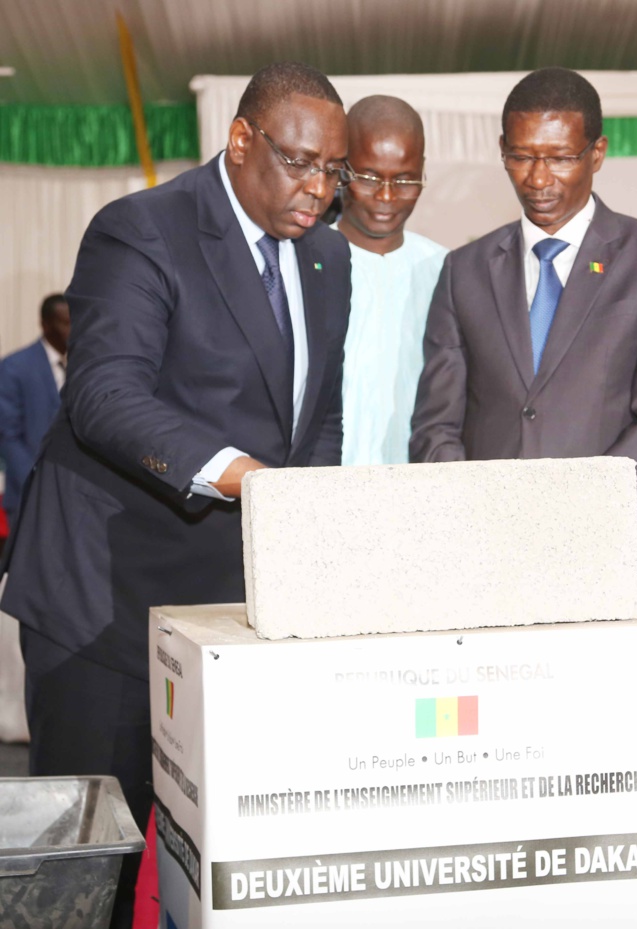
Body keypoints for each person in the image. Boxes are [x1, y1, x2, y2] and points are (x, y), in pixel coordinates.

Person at [0, 62, 352, 929]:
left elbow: (319, 415)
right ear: (240, 141)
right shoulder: (142, 230)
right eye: (301, 162)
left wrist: (310, 519)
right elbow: (105, 395)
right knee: (87, 879)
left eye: (333, 170)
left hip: (229, 616)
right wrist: (251, 480)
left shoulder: (326, 254)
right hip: (103, 605)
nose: (320, 189)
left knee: (216, 864)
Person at [410, 67, 637, 620]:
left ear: (597, 153)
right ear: (501, 151)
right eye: (522, 156)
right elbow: (436, 425)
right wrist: (471, 516)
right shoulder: (463, 271)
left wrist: (573, 522)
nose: (539, 178)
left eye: (561, 158)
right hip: (486, 566)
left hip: (612, 556)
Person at [333, 95, 447, 464]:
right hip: (318, 485)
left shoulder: (446, 270)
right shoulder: (305, 262)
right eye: (368, 178)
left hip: (424, 486)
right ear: (340, 167)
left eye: (404, 180)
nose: (386, 196)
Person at [0, 293, 70, 533]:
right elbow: (7, 436)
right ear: (46, 325)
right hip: (27, 496)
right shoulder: (15, 367)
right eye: (66, 323)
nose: (73, 331)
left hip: (72, 498)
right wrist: (37, 481)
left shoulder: (81, 367)